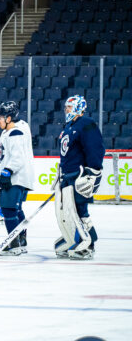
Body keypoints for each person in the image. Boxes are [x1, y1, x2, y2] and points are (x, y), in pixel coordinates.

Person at [54, 95, 105, 260]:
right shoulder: (69, 126)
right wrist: (60, 173)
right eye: (66, 107)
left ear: (78, 108)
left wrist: (93, 172)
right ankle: (74, 240)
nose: (66, 110)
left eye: (69, 107)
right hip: (68, 175)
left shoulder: (86, 123)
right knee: (68, 212)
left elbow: (95, 148)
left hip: (79, 175)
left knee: (80, 211)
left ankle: (88, 244)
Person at [0, 101, 34, 256]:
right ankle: (19, 240)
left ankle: (14, 244)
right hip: (12, 177)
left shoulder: (16, 133)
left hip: (16, 178)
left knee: (8, 209)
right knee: (12, 209)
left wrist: (7, 171)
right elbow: (2, 159)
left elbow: (18, 158)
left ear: (8, 118)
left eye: (0, 118)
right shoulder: (6, 133)